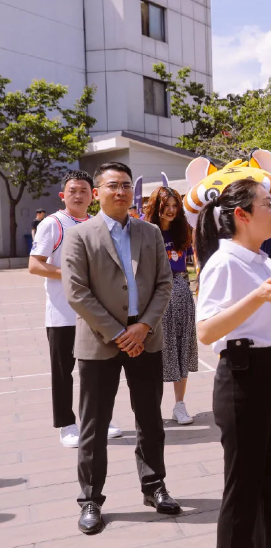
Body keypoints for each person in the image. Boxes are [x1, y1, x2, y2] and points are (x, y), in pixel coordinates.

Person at [62, 162, 179, 535]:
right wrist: (118, 333)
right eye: (113, 186)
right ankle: (91, 499)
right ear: (96, 193)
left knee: (150, 419)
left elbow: (165, 284)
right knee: (94, 424)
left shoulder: (149, 232)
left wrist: (143, 327)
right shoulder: (81, 235)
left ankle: (154, 486)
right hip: (100, 341)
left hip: (146, 337)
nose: (121, 192)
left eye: (127, 185)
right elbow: (76, 292)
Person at [194, 179, 271, 547]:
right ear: (242, 215)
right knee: (242, 490)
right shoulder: (223, 262)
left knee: (269, 485)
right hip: (242, 375)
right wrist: (257, 297)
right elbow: (206, 331)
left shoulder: (261, 258)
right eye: (269, 206)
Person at [29, 171, 122, 448]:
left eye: (83, 190)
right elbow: (35, 265)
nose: (78, 195)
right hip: (62, 314)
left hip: (95, 313)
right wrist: (72, 274)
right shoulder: (53, 224)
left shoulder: (98, 224)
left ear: (93, 195)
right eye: (73, 191)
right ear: (63, 195)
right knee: (63, 372)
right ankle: (66, 425)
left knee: (96, 371)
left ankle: (97, 419)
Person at [143, 187, 198, 425]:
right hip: (156, 295)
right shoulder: (145, 232)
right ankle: (151, 406)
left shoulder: (182, 231)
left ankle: (179, 405)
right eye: (167, 206)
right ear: (157, 207)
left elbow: (192, 262)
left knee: (182, 347)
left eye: (176, 206)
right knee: (156, 351)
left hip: (182, 291)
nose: (172, 210)